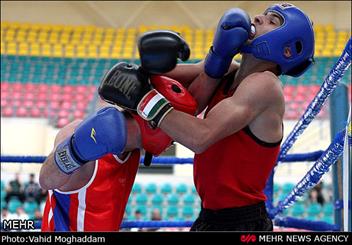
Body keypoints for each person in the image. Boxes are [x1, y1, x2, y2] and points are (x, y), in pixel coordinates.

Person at [98, 3, 314, 231]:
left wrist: (143, 98)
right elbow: (163, 79)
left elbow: (199, 137)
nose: (259, 18)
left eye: (272, 21)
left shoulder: (265, 85)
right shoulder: (229, 69)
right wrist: (154, 62)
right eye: (264, 14)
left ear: (287, 50)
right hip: (210, 217)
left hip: (242, 222)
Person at [39, 32, 197, 231]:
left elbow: (197, 91)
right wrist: (75, 151)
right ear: (152, 124)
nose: (173, 142)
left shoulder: (132, 145)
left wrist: (218, 58)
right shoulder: (82, 136)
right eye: (173, 134)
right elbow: (45, 179)